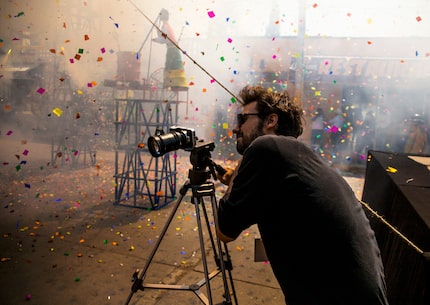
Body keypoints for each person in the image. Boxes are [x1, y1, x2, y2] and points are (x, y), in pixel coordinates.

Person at [215, 85, 389, 305]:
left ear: (270, 121)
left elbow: (225, 229)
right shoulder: (299, 158)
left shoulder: (265, 146)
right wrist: (237, 180)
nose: (235, 129)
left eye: (242, 119)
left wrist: (240, 171)